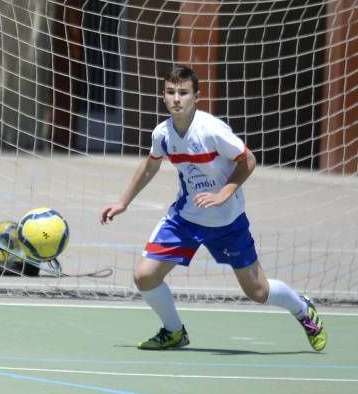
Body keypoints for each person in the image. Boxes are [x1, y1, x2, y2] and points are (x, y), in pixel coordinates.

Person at [100, 65, 327, 351]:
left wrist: (224, 193)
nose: (177, 99)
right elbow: (150, 166)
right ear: (163, 96)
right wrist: (123, 202)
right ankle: (173, 332)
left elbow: (248, 160)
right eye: (171, 93)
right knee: (144, 276)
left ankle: (303, 309)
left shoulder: (211, 130)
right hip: (186, 218)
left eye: (183, 92)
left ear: (196, 96)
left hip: (227, 221)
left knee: (258, 292)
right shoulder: (163, 134)